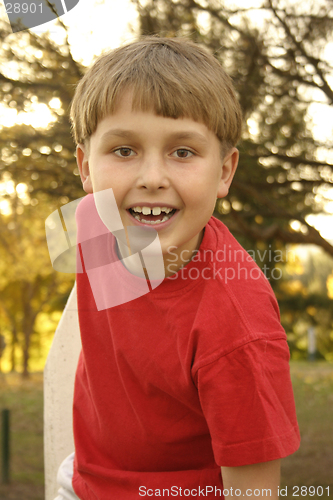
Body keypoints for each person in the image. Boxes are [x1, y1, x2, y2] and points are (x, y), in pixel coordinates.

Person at [54, 36, 300, 500]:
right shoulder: (94, 222)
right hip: (86, 481)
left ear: (224, 172)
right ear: (86, 169)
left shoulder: (235, 328)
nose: (151, 177)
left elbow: (254, 492)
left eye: (182, 152)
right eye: (123, 151)